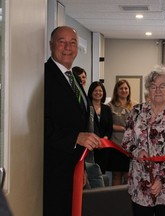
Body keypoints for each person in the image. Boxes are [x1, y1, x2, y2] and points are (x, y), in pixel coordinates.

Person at [44, 26, 101, 216]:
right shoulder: (43, 75)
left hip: (73, 166)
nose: (68, 47)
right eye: (62, 42)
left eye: (73, 42)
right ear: (51, 45)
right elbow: (38, 124)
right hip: (51, 169)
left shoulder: (74, 78)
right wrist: (74, 137)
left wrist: (81, 166)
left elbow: (80, 120)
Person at [121, 65, 165, 216]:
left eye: (162, 86)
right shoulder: (136, 111)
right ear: (148, 89)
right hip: (140, 181)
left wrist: (161, 180)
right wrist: (138, 150)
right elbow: (126, 142)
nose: (157, 90)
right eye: (153, 86)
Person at [107, 79, 134, 185]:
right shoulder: (109, 106)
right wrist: (121, 128)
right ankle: (115, 201)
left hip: (130, 147)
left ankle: (126, 201)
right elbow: (107, 125)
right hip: (116, 145)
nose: (124, 90)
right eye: (121, 88)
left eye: (126, 88)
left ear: (129, 90)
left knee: (128, 175)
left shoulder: (134, 106)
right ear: (116, 91)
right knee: (116, 175)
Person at [87, 81, 113, 174]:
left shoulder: (107, 108)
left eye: (100, 91)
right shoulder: (87, 107)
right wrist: (96, 140)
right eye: (95, 91)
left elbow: (110, 127)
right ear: (91, 92)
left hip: (104, 146)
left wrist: (105, 138)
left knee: (101, 173)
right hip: (90, 146)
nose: (98, 93)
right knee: (91, 173)